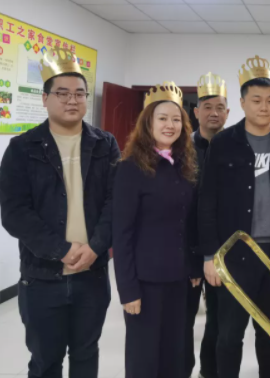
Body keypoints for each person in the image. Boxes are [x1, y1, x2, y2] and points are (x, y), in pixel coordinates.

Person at [0, 47, 120, 378]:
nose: (72, 100)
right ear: (45, 98)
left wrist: (95, 247)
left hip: (92, 275)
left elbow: (115, 202)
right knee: (45, 361)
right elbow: (15, 212)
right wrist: (61, 250)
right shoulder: (22, 148)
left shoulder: (105, 144)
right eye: (62, 93)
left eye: (79, 93)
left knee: (85, 355)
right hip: (42, 276)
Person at [198, 55, 270, 378]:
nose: (264, 107)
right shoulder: (223, 143)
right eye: (256, 100)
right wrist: (210, 255)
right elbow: (207, 201)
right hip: (234, 253)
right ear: (242, 103)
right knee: (229, 334)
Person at [112, 82, 198, 378]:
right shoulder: (130, 168)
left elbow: (188, 223)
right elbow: (121, 234)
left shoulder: (184, 165)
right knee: (145, 359)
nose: (170, 125)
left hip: (179, 279)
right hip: (145, 283)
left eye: (176, 119)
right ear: (148, 123)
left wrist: (193, 266)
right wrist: (128, 290)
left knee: (176, 355)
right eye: (162, 118)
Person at [186, 73, 230, 378]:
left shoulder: (236, 147)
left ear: (228, 112)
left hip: (220, 246)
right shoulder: (182, 148)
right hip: (185, 246)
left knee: (218, 316)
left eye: (220, 107)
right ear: (196, 111)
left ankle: (209, 371)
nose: (214, 113)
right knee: (182, 319)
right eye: (207, 107)